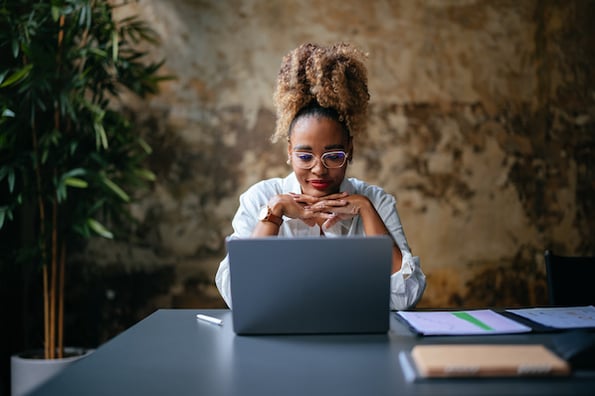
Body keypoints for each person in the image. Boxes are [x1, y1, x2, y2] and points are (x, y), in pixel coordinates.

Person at [215, 42, 426, 311]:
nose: (319, 170)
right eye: (305, 156)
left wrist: (366, 211)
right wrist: (273, 212)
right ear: (289, 151)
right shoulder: (260, 198)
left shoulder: (376, 202)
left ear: (350, 149)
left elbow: (407, 297)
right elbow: (238, 295)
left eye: (334, 156)